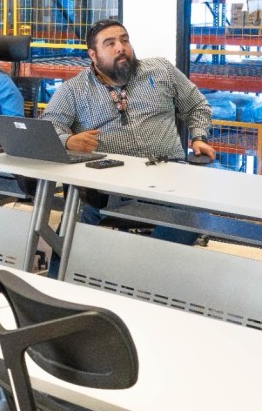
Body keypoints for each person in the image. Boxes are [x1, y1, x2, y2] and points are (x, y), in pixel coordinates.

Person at [41, 18, 216, 244]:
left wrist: (199, 137)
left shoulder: (161, 70)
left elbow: (197, 105)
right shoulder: (74, 89)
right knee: (71, 231)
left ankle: (148, 261)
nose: (121, 47)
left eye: (124, 40)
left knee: (193, 215)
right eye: (110, 43)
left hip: (168, 177)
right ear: (93, 55)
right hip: (109, 186)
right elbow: (48, 126)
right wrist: (68, 141)